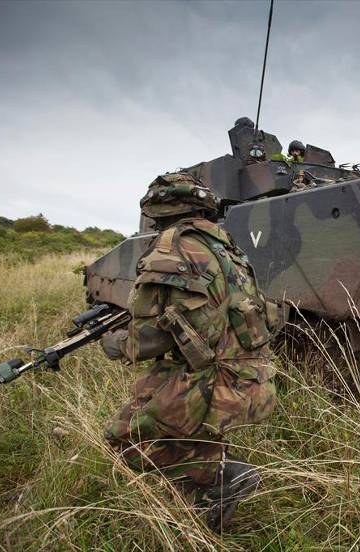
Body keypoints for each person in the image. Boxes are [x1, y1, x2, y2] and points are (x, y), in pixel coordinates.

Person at [99, 172, 281, 532]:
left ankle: (223, 476)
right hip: (252, 376)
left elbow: (154, 337)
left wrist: (117, 344)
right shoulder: (226, 245)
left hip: (215, 381)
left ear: (157, 210)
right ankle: (206, 513)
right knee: (186, 435)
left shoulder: (173, 247)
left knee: (124, 440)